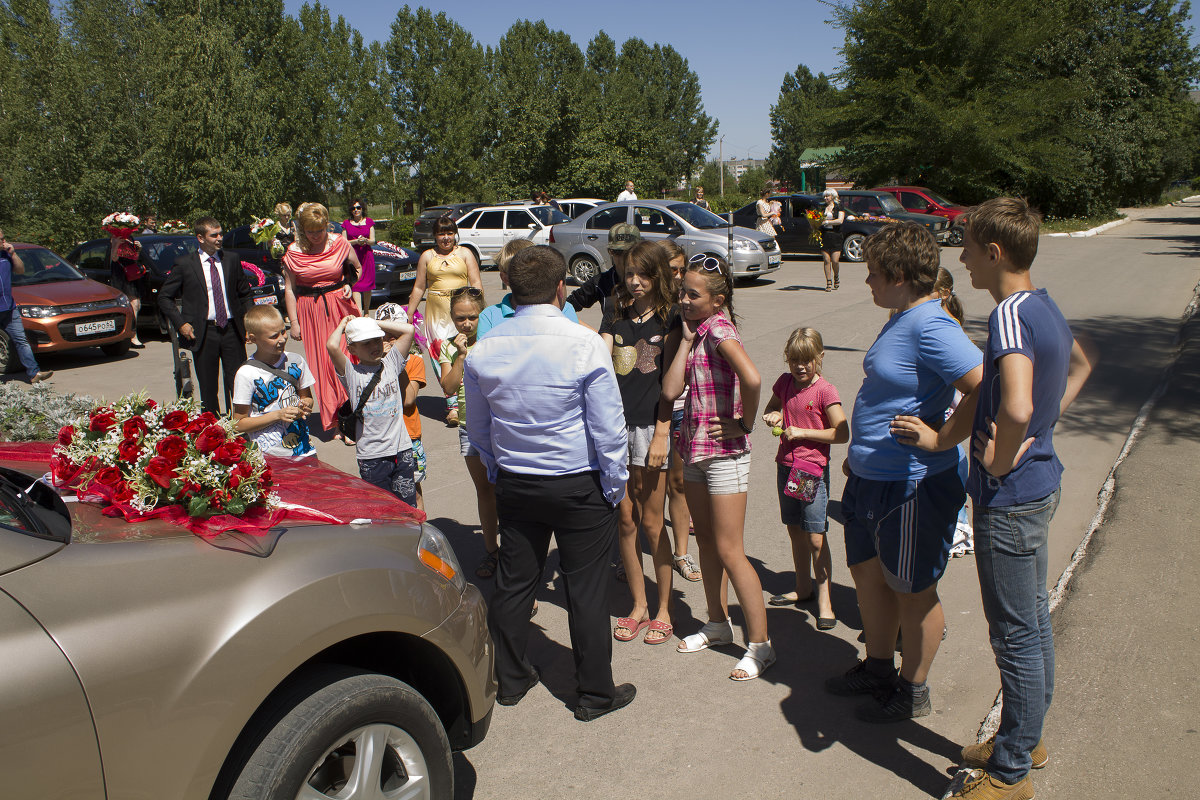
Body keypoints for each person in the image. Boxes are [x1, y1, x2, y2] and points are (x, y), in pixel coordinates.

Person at [891, 198, 1092, 800]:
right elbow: (1080, 366)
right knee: (1031, 623)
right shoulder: (1044, 306)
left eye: (969, 248)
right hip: (1039, 487)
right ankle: (1022, 740)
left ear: (995, 253)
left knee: (1015, 634)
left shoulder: (1008, 315)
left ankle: (1009, 776)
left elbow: (1016, 406)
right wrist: (1038, 435)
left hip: (1009, 499)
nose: (962, 259)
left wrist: (999, 460)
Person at [464, 245, 634, 721]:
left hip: (519, 482)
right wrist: (614, 486)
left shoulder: (483, 350)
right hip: (579, 484)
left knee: (516, 583)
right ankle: (595, 694)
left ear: (511, 292)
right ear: (561, 289)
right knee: (587, 591)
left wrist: (499, 471)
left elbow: (480, 430)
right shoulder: (584, 343)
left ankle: (512, 679)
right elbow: (608, 427)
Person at [824, 222, 983, 723]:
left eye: (872, 273)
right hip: (873, 478)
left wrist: (941, 439)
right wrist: (864, 454)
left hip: (913, 483)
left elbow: (985, 386)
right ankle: (877, 666)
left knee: (913, 592)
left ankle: (913, 690)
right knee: (870, 579)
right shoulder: (903, 317)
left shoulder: (933, 324)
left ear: (896, 274)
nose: (866, 281)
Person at [663, 253, 773, 681]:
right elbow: (671, 390)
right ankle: (717, 624)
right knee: (705, 541)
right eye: (682, 292)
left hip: (725, 455)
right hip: (694, 451)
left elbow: (753, 377)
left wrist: (744, 423)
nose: (684, 299)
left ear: (718, 299)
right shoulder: (698, 332)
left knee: (730, 550)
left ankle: (761, 645)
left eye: (693, 294)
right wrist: (687, 340)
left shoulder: (721, 329)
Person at [601, 241, 678, 645]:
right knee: (625, 521)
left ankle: (665, 608)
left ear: (658, 274)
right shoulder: (615, 314)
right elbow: (600, 364)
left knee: (652, 522)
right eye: (628, 273)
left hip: (652, 430)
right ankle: (639, 605)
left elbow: (673, 386)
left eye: (642, 273)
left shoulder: (671, 319)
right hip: (615, 430)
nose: (633, 281)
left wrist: (663, 431)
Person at [761, 327, 848, 629]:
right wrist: (773, 415)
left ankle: (825, 601)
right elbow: (772, 407)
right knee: (796, 530)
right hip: (786, 467)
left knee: (815, 536)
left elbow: (841, 432)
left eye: (806, 360)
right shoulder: (785, 383)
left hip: (810, 471)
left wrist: (803, 432)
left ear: (819, 358)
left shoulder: (825, 391)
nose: (799, 366)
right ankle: (803, 587)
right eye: (794, 360)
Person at [158, 217, 253, 416]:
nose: (220, 238)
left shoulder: (231, 260)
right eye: (214, 235)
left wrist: (250, 323)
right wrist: (181, 323)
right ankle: (213, 428)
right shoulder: (185, 264)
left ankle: (242, 426)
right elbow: (165, 297)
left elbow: (245, 294)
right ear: (200, 238)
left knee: (238, 382)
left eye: (221, 233)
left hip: (231, 330)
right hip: (203, 332)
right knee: (208, 386)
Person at [281, 203, 362, 435]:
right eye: (310, 231)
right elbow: (289, 289)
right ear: (301, 228)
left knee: (348, 360)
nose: (315, 236)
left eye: (320, 230)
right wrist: (294, 322)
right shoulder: (293, 252)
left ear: (327, 225)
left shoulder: (339, 242)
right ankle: (336, 422)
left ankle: (353, 416)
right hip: (311, 312)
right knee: (322, 366)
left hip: (340, 308)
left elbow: (357, 268)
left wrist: (349, 284)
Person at [437, 286, 501, 579]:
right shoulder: (448, 346)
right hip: (469, 428)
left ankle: (514, 551)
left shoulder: (493, 341)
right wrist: (461, 356)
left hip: (498, 425)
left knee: (508, 490)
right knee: (485, 491)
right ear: (452, 317)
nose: (466, 324)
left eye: (472, 317)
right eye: (460, 318)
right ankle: (492, 551)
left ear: (482, 314)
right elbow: (448, 387)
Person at [327, 315, 419, 506]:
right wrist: (344, 324)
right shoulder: (352, 373)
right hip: (371, 456)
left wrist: (372, 323)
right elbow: (332, 346)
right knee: (382, 510)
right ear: (352, 349)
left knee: (408, 507)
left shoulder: (392, 362)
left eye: (376, 340)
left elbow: (408, 330)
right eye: (365, 343)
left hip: (401, 450)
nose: (374, 346)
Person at [405, 215, 482, 426]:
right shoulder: (427, 257)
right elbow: (419, 287)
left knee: (462, 352)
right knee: (441, 356)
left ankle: (469, 398)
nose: (445, 238)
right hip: (436, 315)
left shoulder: (465, 253)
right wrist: (409, 313)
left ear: (455, 234)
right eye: (441, 233)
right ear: (435, 236)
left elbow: (476, 283)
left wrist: (479, 310)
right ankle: (452, 407)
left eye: (449, 233)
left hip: (461, 310)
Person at [655, 240, 699, 583]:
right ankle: (639, 554)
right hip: (648, 409)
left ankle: (681, 554)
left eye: (683, 269)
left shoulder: (690, 306)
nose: (679, 276)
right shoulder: (643, 308)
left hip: (683, 407)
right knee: (646, 490)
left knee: (679, 483)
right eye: (673, 270)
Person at [231, 305, 316, 457]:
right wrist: (277, 415)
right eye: (273, 336)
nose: (282, 339)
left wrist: (306, 404)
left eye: (283, 331)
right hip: (270, 455)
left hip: (304, 449)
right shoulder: (246, 373)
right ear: (252, 339)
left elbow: (306, 396)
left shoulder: (296, 361)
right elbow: (238, 423)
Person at [478, 239, 579, 338]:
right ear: (505, 278)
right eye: (521, 274)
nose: (531, 277)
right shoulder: (489, 316)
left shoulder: (565, 308)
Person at [0, 229, 52, 383]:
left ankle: (34, 374)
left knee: (21, 340)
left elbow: (21, 270)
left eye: (4, 238)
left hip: (9, 308)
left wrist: (14, 254)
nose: (4, 242)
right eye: (1, 239)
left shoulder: (6, 255)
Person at [565, 223, 640, 317]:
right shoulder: (601, 282)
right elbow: (566, 307)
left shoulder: (651, 280)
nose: (623, 258)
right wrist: (590, 331)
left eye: (629, 251)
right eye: (617, 252)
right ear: (610, 252)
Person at [108, 231, 149, 348]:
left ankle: (133, 335)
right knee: (125, 305)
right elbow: (114, 258)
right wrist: (115, 244)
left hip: (131, 274)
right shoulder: (115, 238)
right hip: (120, 274)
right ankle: (128, 336)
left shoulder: (130, 238)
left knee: (136, 305)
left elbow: (134, 258)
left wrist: (138, 249)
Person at [343, 199, 376, 314]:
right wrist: (356, 241)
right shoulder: (346, 223)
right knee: (356, 284)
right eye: (353, 208)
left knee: (367, 285)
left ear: (362, 209)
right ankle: (359, 312)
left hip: (367, 256)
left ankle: (366, 311)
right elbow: (344, 242)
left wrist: (366, 240)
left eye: (358, 208)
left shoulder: (369, 222)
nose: (356, 210)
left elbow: (373, 241)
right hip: (353, 256)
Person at [821, 189, 846, 292]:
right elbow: (817, 219)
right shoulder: (823, 208)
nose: (826, 198)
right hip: (824, 235)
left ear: (833, 196)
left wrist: (827, 221)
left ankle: (836, 276)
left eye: (828, 196)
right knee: (826, 260)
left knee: (835, 260)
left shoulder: (839, 207)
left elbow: (840, 220)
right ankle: (828, 282)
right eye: (825, 196)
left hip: (836, 235)